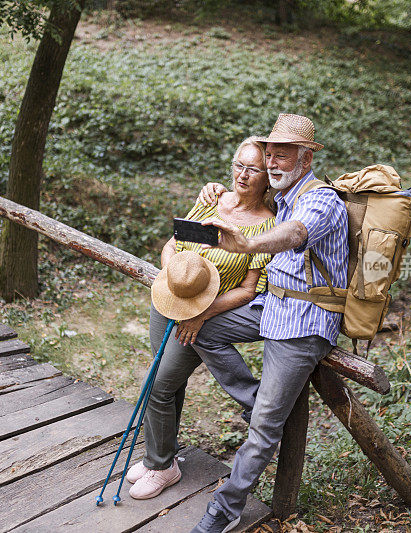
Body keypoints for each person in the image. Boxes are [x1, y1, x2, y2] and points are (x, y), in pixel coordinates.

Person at [188, 114, 349, 533]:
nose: (274, 163)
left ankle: (224, 511)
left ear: (306, 157)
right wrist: (217, 190)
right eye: (270, 155)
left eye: (283, 155)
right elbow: (249, 198)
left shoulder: (321, 199)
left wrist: (249, 244)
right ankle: (257, 401)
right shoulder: (284, 195)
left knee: (263, 430)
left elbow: (295, 233)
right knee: (202, 329)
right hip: (271, 305)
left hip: (304, 320)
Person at [127, 138, 276, 501]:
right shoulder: (212, 200)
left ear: (267, 178)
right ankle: (162, 456)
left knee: (157, 387)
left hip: (200, 318)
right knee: (169, 384)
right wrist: (174, 276)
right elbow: (173, 244)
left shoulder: (265, 228)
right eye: (239, 165)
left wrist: (201, 313)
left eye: (253, 169)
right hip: (167, 302)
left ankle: (161, 466)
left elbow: (249, 289)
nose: (243, 174)